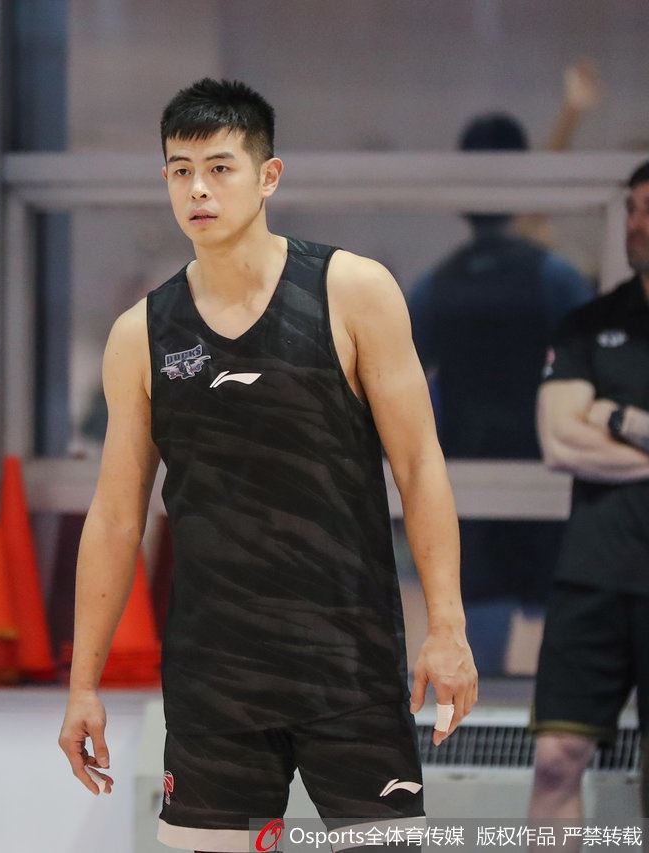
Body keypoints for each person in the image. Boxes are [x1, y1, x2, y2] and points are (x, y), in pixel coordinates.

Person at [57, 78, 477, 852]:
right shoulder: (139, 334)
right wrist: (83, 683)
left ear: (268, 176)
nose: (199, 189)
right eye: (181, 170)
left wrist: (446, 627)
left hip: (348, 666)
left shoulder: (353, 291)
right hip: (215, 681)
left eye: (220, 168)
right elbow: (116, 518)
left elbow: (420, 465)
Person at [408, 112, 593, 674]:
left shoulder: (437, 286)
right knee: (565, 657)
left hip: (480, 489)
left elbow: (397, 386)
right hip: (537, 481)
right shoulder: (553, 277)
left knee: (482, 657)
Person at [529, 160, 649, 844]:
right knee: (555, 759)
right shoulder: (590, 324)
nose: (637, 223)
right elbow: (559, 439)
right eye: (632, 208)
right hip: (595, 575)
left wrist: (618, 417)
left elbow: (587, 429)